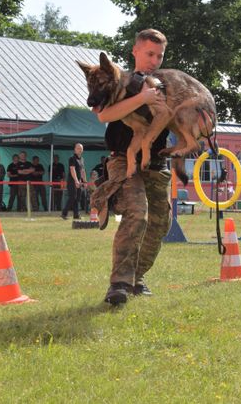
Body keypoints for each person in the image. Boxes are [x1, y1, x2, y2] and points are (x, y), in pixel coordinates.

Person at [91, 29, 174, 305]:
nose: (154, 60)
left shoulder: (166, 84)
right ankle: (120, 284)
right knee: (137, 214)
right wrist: (142, 99)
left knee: (161, 224)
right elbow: (104, 115)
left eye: (159, 55)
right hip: (122, 160)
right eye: (149, 54)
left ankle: (137, 278)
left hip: (156, 162)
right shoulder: (119, 82)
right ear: (135, 51)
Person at [61, 143, 87, 220]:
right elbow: (72, 170)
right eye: (78, 148)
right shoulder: (72, 158)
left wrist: (84, 181)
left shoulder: (82, 159)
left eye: (81, 148)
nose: (80, 150)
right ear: (75, 149)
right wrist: (76, 181)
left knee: (77, 198)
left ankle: (76, 215)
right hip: (72, 181)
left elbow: (82, 171)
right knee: (72, 197)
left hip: (79, 181)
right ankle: (64, 213)